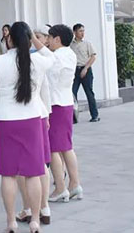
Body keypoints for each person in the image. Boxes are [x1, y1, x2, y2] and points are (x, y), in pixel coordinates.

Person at [0, 22, 54, 233]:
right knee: (33, 173)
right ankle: (35, 221)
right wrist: (34, 39)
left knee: (9, 174)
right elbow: (51, 57)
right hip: (31, 120)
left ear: (9, 39)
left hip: (5, 120)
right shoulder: (38, 61)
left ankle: (11, 222)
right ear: (29, 39)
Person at [45, 25, 84, 203]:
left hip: (56, 104)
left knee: (54, 148)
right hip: (66, 102)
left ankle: (60, 188)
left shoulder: (56, 57)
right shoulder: (70, 54)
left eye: (49, 37)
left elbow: (49, 79)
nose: (47, 41)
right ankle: (74, 184)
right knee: (66, 147)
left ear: (57, 39)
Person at [70, 24, 100, 122]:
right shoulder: (70, 45)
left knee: (89, 93)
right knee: (73, 93)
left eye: (83, 31)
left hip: (86, 70)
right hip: (75, 71)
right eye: (80, 31)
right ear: (74, 32)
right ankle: (74, 117)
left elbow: (93, 57)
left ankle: (95, 115)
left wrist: (85, 68)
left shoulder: (87, 43)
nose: (82, 33)